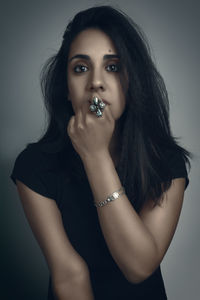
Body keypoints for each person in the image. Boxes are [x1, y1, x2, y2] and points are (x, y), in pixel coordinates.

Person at [10, 5, 192, 300]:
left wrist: (95, 157)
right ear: (67, 89)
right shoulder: (34, 167)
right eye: (80, 68)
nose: (95, 82)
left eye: (113, 67)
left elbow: (139, 266)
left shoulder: (166, 162)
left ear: (131, 82)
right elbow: (70, 275)